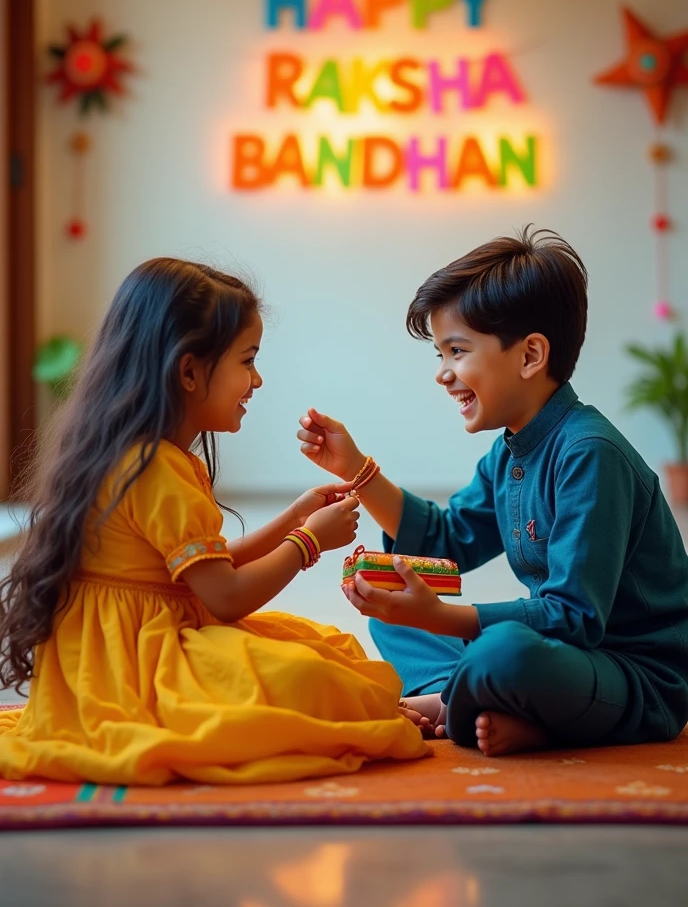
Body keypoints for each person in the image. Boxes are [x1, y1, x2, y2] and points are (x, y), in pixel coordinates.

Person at [0, 258, 425, 784]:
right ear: (189, 371)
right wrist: (307, 541)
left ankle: (373, 705)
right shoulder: (153, 468)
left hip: (141, 645)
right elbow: (225, 598)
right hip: (136, 671)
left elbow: (208, 567)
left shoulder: (147, 456)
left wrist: (294, 515)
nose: (257, 380)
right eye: (247, 361)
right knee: (306, 674)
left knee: (323, 647)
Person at [298, 226, 688, 757]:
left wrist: (440, 617)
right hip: (561, 657)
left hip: (633, 675)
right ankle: (492, 707)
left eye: (456, 351)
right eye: (440, 354)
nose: (442, 374)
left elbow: (574, 617)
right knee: (396, 619)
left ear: (530, 356)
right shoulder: (508, 452)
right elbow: (445, 538)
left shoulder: (590, 453)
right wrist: (356, 469)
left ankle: (450, 703)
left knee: (502, 651)